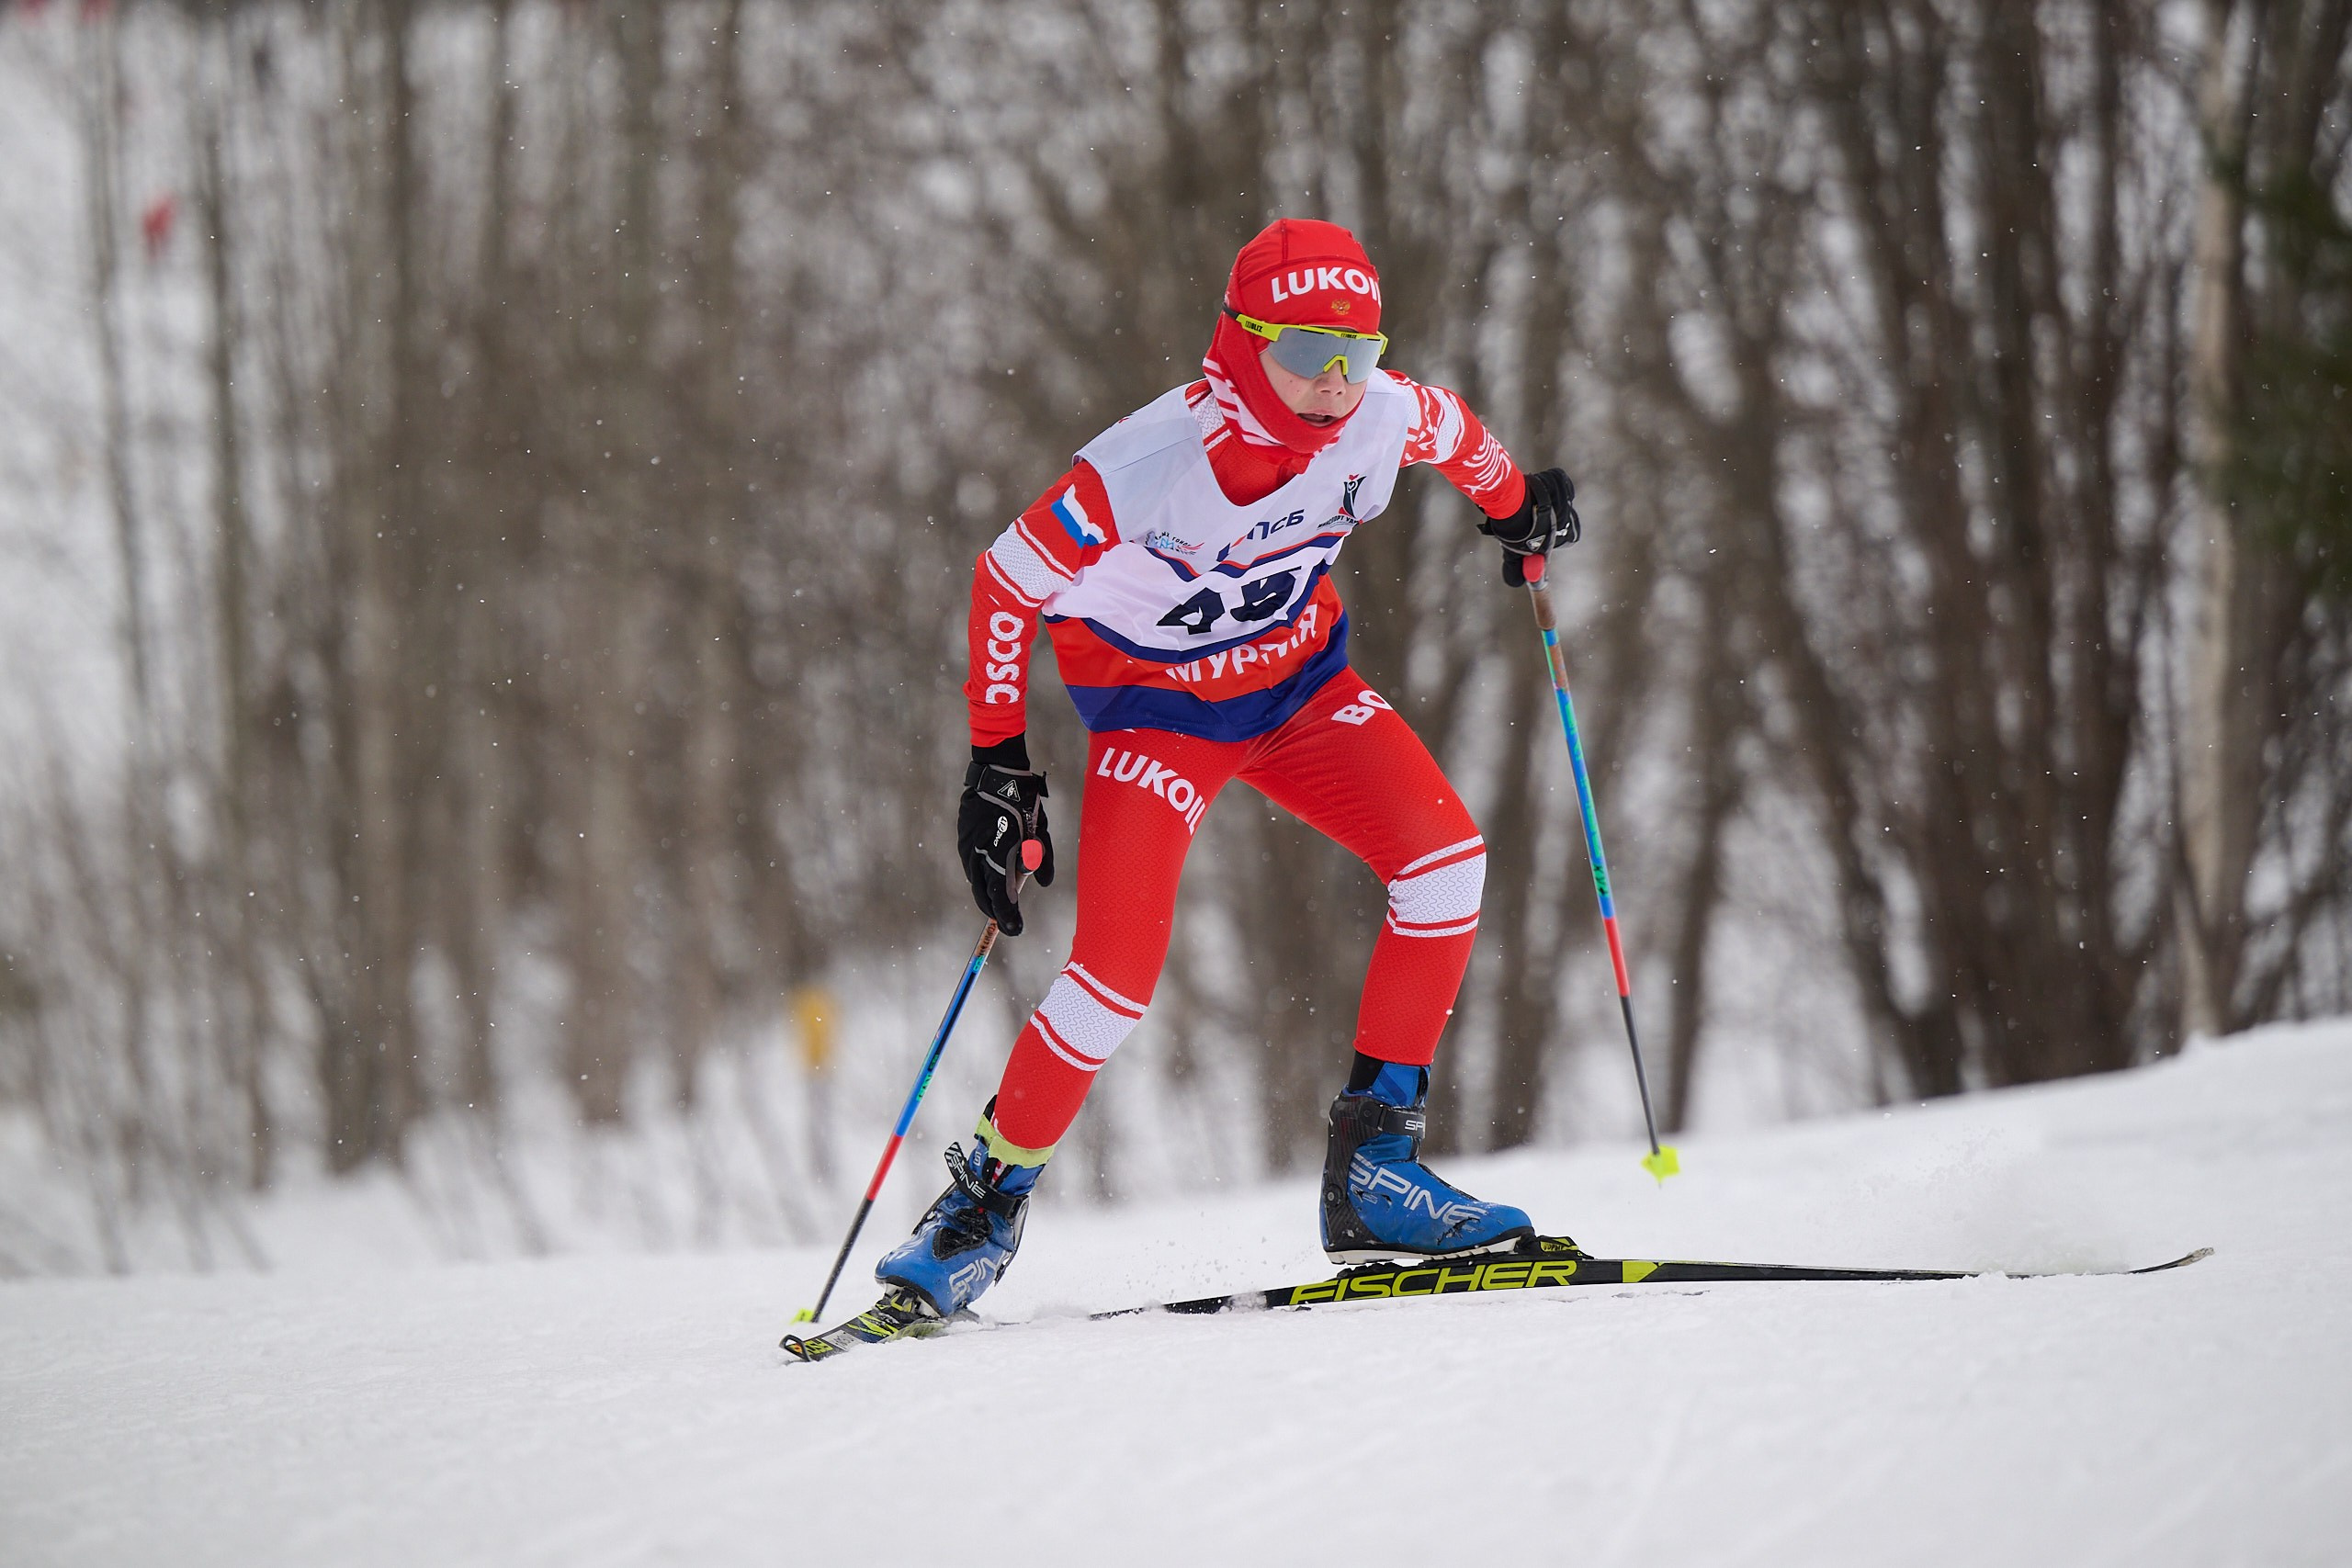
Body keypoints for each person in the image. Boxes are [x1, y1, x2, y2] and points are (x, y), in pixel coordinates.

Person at [876, 219, 1579, 1318]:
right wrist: (996, 761)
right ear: (1241, 343)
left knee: (1446, 865)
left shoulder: (1383, 410)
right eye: (1305, 352)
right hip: (1161, 720)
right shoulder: (1147, 466)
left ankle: (1376, 1174)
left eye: (1358, 350)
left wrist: (1517, 507)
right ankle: (982, 1206)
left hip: (1301, 692)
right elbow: (1004, 583)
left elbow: (1458, 437)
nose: (1336, 382)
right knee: (1113, 979)